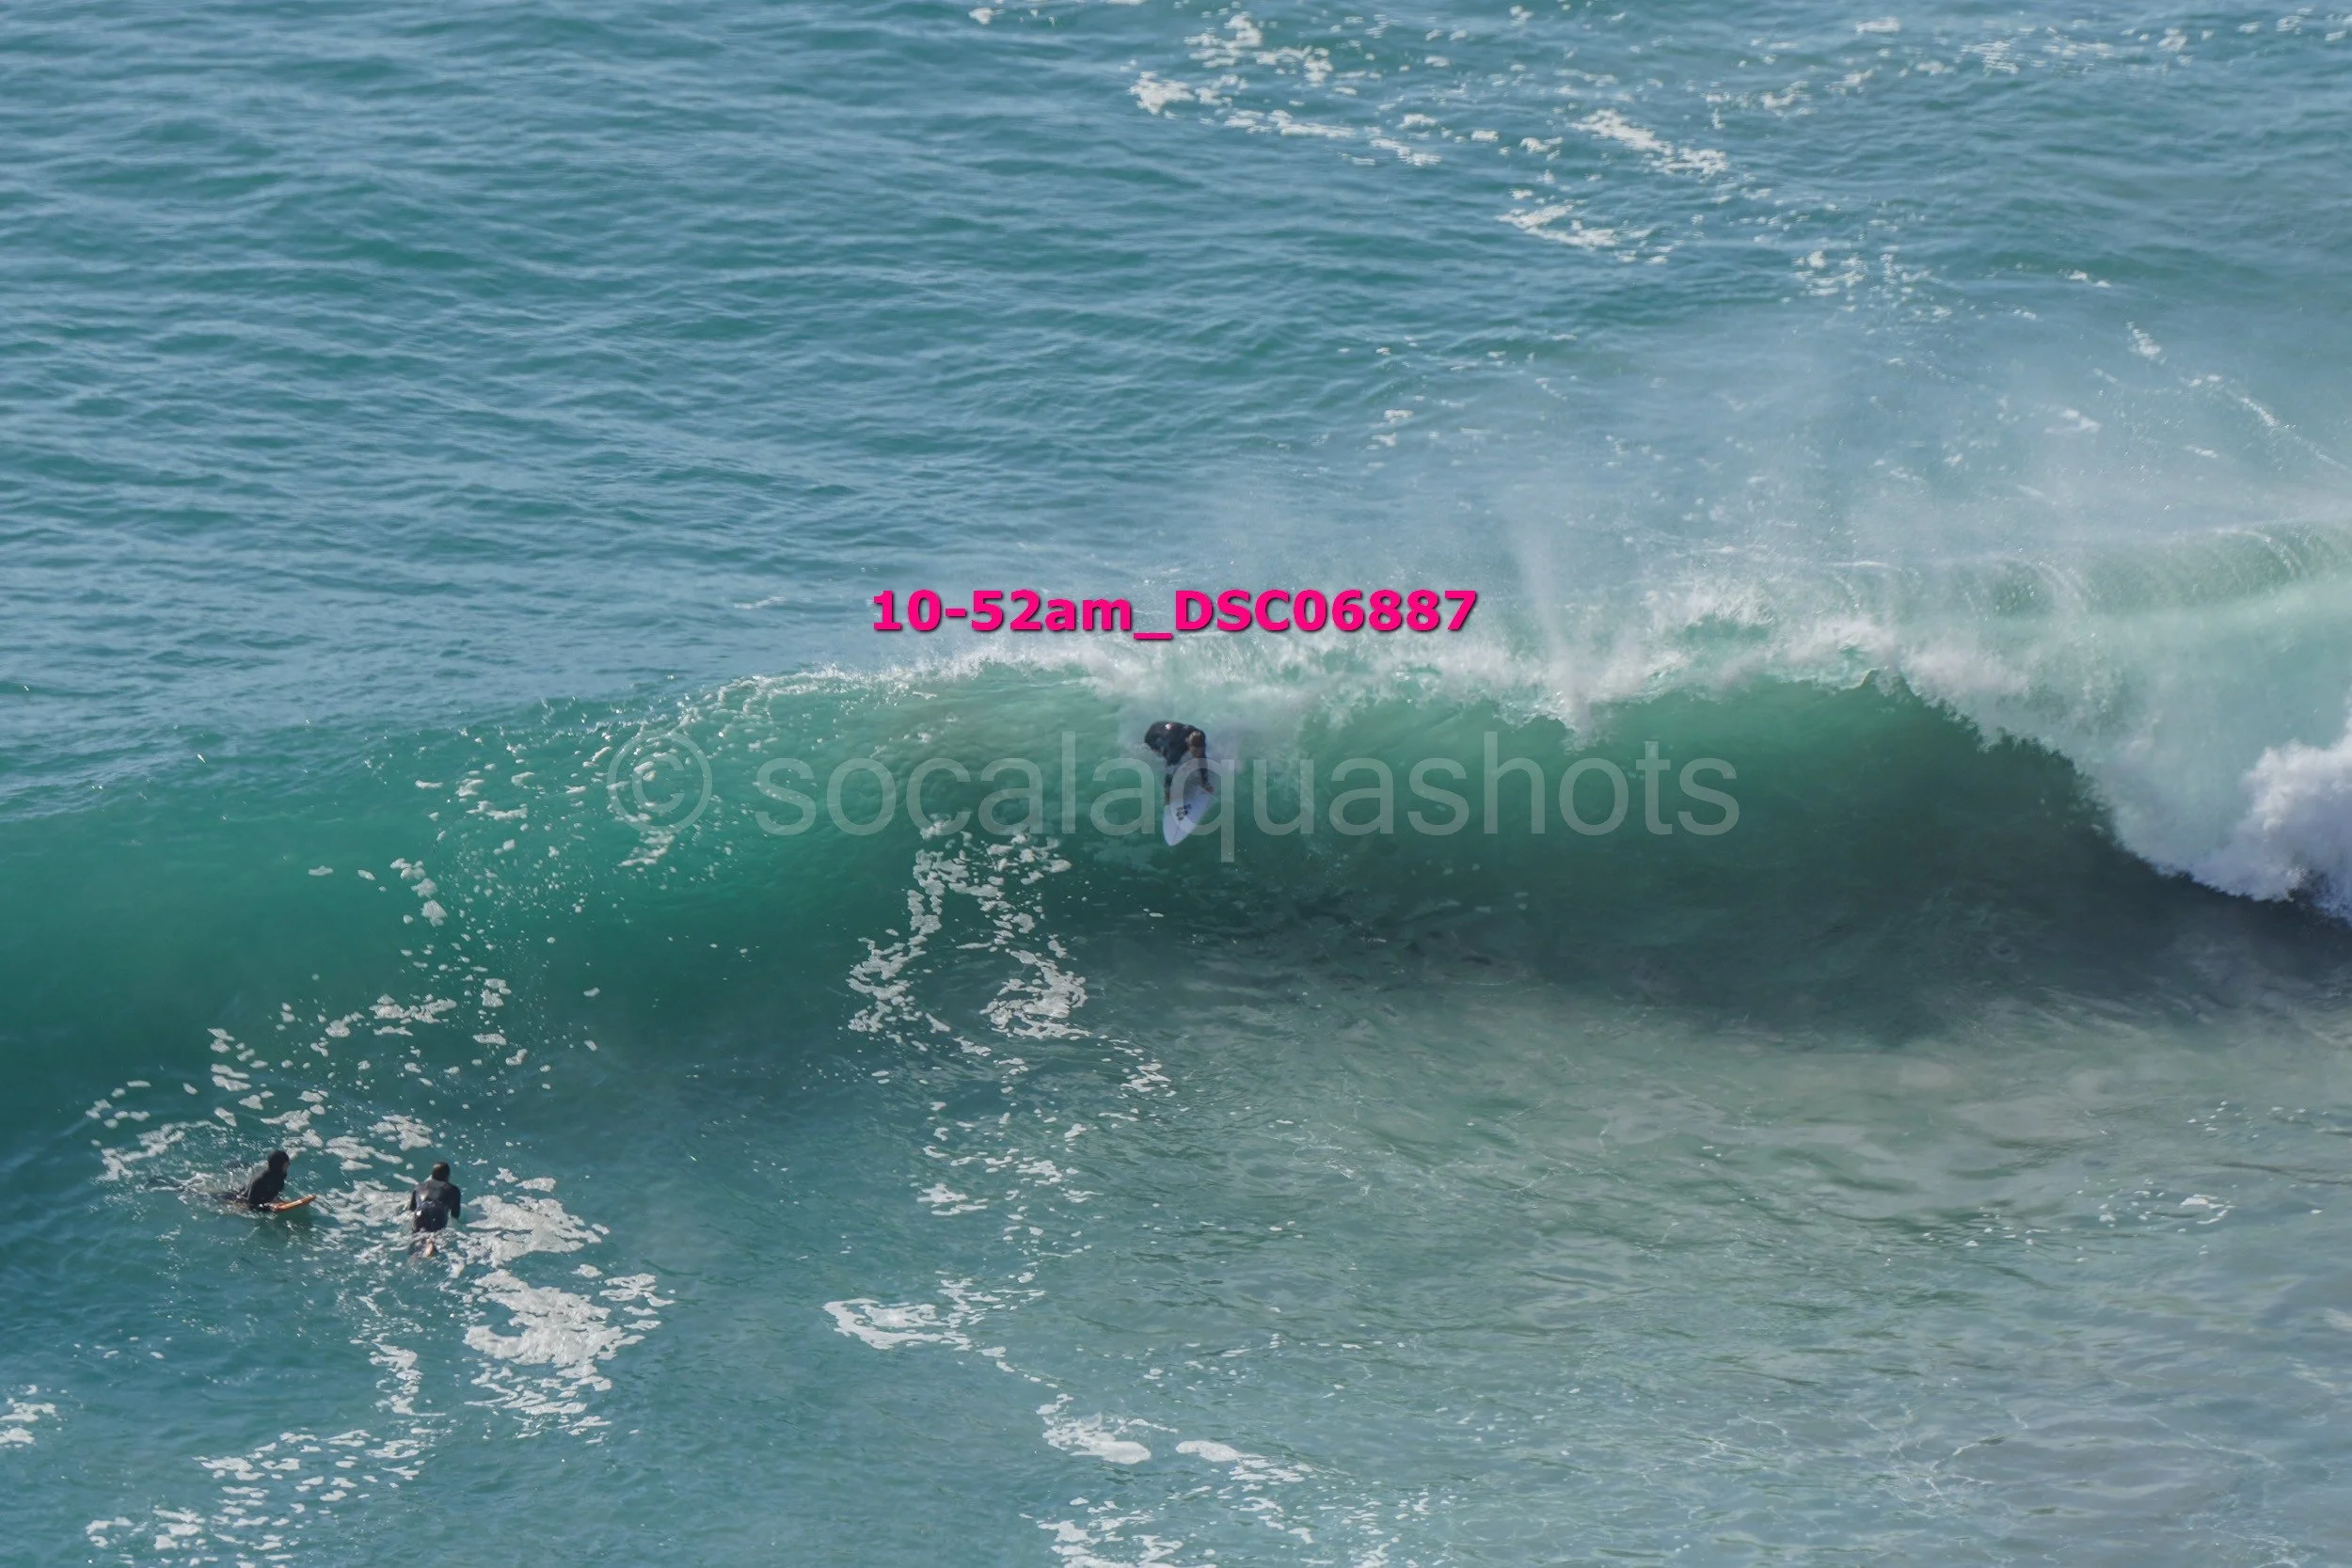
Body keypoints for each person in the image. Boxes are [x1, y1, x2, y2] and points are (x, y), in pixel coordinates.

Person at [1144, 721, 1211, 803]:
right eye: (1195, 751)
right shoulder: (1177, 749)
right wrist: (1167, 794)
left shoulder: (1200, 737)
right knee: (1168, 759)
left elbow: (1202, 758)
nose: (1198, 753)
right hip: (1153, 736)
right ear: (1189, 745)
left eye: (1200, 750)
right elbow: (1169, 772)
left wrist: (1205, 783)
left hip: (1169, 729)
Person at [408, 1161, 463, 1256]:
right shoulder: (453, 1189)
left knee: (417, 1239)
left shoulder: (418, 1187)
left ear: (432, 1175)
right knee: (433, 1236)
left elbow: (411, 1209)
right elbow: (455, 1215)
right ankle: (431, 1244)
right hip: (439, 1210)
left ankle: (414, 1258)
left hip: (420, 1211)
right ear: (447, 1176)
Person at [220, 1148, 293, 1210]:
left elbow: (273, 1196)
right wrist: (269, 1206)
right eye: (286, 1163)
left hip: (256, 1199)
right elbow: (250, 1204)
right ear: (278, 1166)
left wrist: (283, 1203)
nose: (289, 1164)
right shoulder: (260, 1181)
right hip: (235, 1199)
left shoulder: (280, 1179)